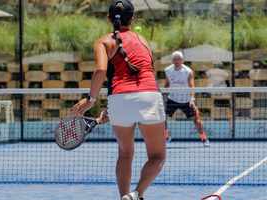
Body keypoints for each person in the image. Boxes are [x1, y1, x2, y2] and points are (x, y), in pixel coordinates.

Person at [71, 1, 166, 199]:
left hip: (119, 99)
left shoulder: (103, 42)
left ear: (108, 19)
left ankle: (124, 196)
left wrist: (91, 100)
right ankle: (136, 194)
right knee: (157, 156)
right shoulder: (143, 39)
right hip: (149, 95)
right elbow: (144, 72)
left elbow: (102, 70)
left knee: (124, 154)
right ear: (131, 20)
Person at [164, 51, 210, 147]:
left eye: (179, 59)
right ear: (173, 60)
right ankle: (166, 136)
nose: (177, 61)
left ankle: (204, 138)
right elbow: (167, 84)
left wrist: (192, 99)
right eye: (175, 59)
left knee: (197, 120)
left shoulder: (188, 71)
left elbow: (191, 85)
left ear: (182, 60)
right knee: (162, 118)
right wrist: (165, 95)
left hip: (186, 100)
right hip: (172, 99)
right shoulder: (167, 70)